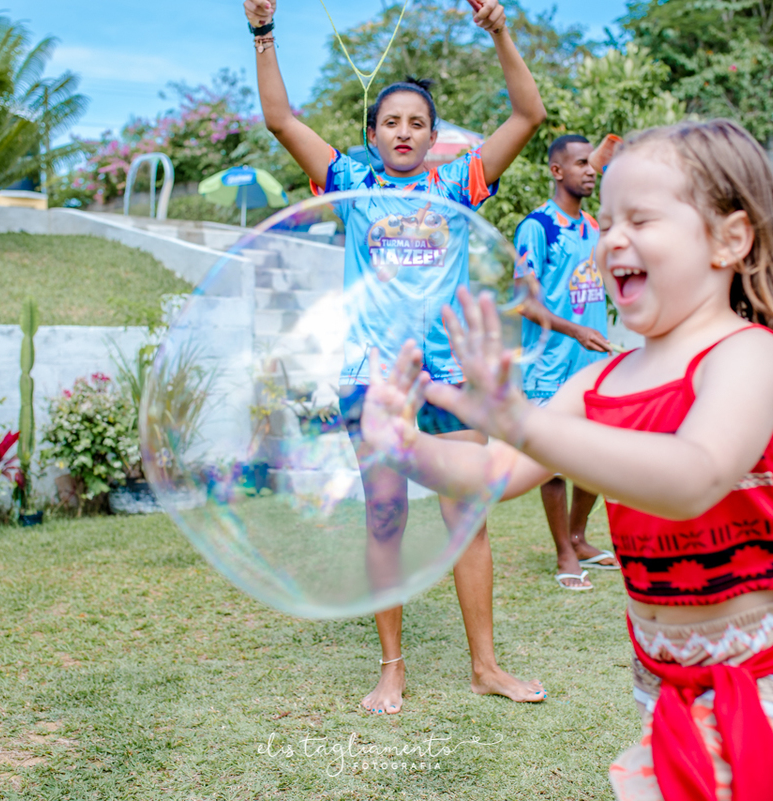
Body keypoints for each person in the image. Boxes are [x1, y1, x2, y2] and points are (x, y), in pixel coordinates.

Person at [362, 119, 773, 800]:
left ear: (730, 239)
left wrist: (522, 420)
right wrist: (404, 444)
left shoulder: (748, 355)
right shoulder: (603, 380)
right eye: (607, 221)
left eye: (640, 219)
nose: (612, 238)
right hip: (663, 673)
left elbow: (693, 477)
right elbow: (491, 475)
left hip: (760, 671)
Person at [243, 0, 548, 714]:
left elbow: (528, 115)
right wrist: (263, 31)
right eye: (391, 122)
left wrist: (500, 31)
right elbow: (280, 119)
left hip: (448, 383)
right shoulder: (353, 185)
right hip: (372, 380)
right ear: (372, 134)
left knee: (467, 517)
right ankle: (391, 670)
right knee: (385, 515)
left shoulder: (456, 186)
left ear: (434, 137)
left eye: (416, 122)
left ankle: (486, 667)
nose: (404, 131)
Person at [514, 133, 616, 591]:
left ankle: (579, 536)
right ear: (557, 171)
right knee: (552, 463)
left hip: (591, 365)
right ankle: (563, 552)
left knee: (595, 457)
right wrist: (576, 331)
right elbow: (524, 302)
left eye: (591, 164)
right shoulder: (537, 227)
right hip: (548, 368)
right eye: (580, 164)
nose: (590, 171)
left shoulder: (594, 226)